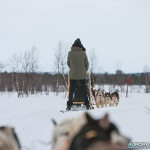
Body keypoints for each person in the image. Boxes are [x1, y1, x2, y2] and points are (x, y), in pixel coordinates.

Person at [66, 38, 90, 110]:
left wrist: (72, 69)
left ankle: (69, 104)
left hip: (73, 74)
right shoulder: (83, 53)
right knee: (84, 89)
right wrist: (84, 70)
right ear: (80, 45)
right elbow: (87, 64)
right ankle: (87, 104)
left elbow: (68, 63)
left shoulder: (70, 53)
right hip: (82, 74)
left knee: (71, 90)